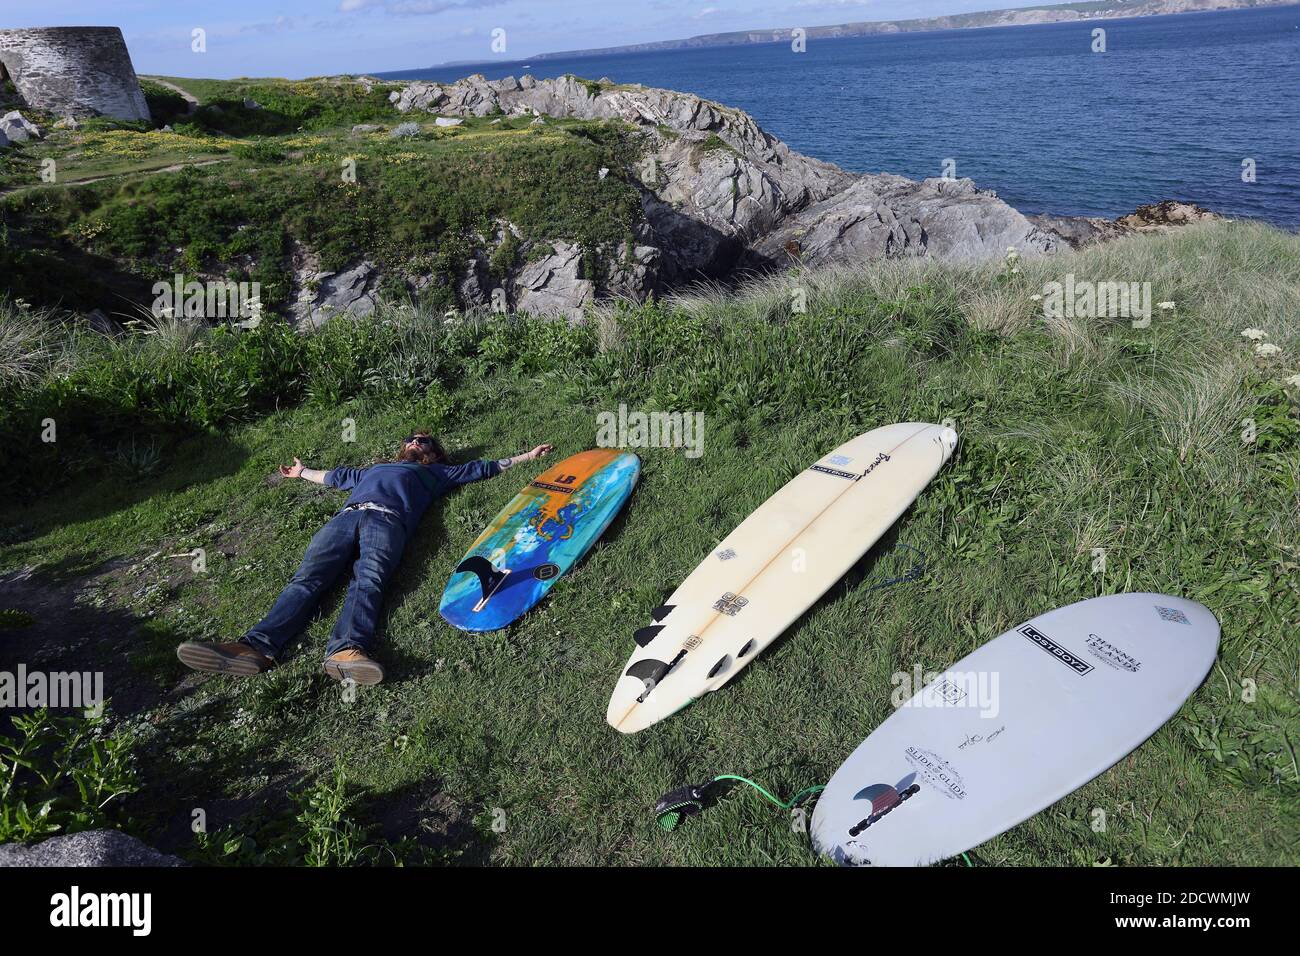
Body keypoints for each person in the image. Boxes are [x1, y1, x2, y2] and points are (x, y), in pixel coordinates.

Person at [176, 432, 552, 686]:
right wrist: (302, 471)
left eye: (420, 441)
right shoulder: (373, 469)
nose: (412, 443)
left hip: (387, 523)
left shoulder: (437, 474)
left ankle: (345, 651)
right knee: (306, 580)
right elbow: (338, 477)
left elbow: (481, 468)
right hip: (345, 518)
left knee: (368, 580)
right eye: (409, 440)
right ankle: (254, 648)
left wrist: (526, 456)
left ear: (434, 454)